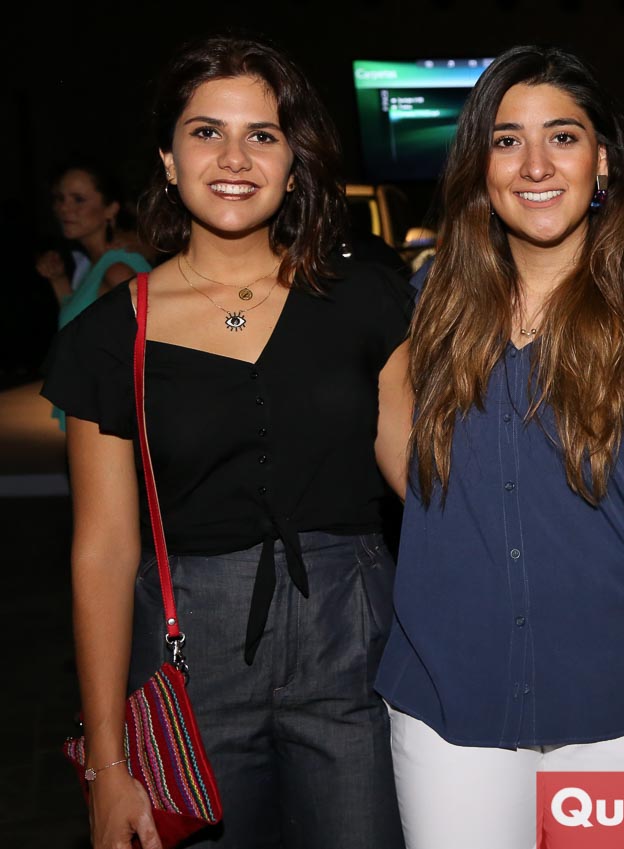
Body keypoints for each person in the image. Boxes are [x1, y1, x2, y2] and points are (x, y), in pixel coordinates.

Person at [41, 36, 408, 849]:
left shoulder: (366, 299)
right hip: (189, 667)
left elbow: (425, 477)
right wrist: (107, 764)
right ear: (169, 159)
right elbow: (103, 551)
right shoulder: (108, 336)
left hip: (353, 649)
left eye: (262, 135)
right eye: (206, 132)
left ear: (293, 164)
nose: (234, 158)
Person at [374, 46, 624, 848]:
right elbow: (404, 455)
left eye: (562, 137)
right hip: (446, 712)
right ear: (481, 166)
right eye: (507, 140)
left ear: (601, 160)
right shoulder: (434, 314)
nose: (535, 165)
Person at [35, 161, 152, 429]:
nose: (64, 208)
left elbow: (151, 351)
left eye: (78, 199)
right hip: (93, 415)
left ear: (111, 209)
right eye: (60, 198)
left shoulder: (118, 268)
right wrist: (59, 281)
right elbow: (79, 328)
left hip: (107, 423)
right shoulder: (94, 265)